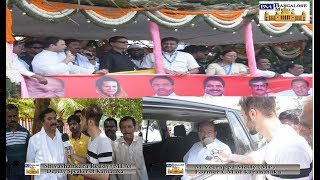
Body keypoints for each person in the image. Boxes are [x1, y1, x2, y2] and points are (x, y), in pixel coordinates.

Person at [219, 97, 312, 180]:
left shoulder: (290, 148)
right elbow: (255, 160)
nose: (244, 122)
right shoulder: (278, 140)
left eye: (243, 116)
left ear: (252, 114)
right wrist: (228, 157)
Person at [68, 104, 112, 180]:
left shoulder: (103, 142)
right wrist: (73, 155)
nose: (80, 123)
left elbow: (104, 176)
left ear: (90, 122)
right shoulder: (91, 140)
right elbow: (89, 162)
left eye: (81, 120)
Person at [26, 108, 67, 180]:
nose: (54, 121)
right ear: (42, 122)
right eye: (49, 119)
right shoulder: (34, 140)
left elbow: (68, 158)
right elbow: (31, 164)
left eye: (54, 118)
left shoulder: (64, 138)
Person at [32, 37, 108, 75]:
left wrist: (94, 72)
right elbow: (50, 72)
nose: (65, 46)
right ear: (52, 45)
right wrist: (66, 61)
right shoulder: (40, 57)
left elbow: (72, 68)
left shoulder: (60, 54)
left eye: (65, 44)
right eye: (62, 45)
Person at [6, 104, 31, 180]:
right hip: (10, 174)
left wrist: (32, 175)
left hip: (25, 173)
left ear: (18, 116)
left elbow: (31, 154)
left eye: (15, 116)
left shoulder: (25, 132)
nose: (12, 119)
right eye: (9, 117)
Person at [67, 115, 89, 180]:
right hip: (70, 177)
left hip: (84, 177)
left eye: (74, 124)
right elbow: (67, 158)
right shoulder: (67, 140)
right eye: (70, 124)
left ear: (79, 124)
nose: (72, 126)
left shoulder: (88, 140)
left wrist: (73, 155)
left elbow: (89, 161)